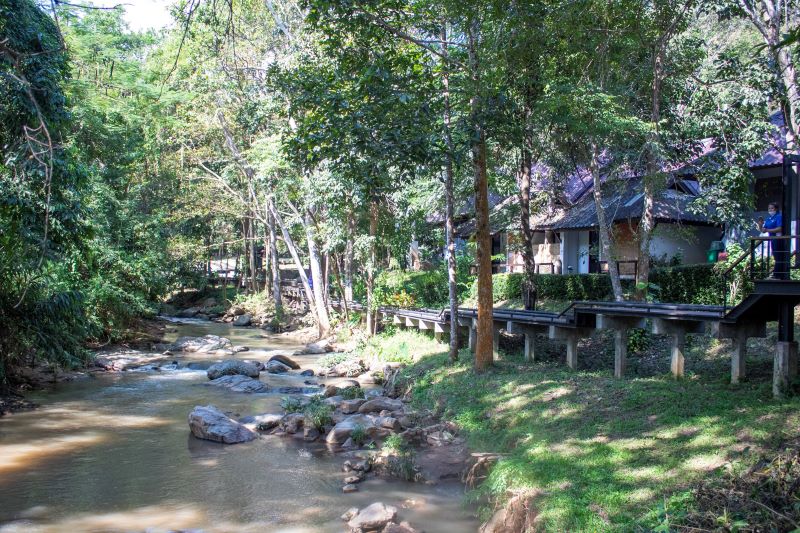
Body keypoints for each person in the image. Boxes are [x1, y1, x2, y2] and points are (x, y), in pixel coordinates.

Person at [757, 202, 785, 276]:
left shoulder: (779, 216)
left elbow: (779, 228)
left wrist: (767, 230)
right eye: (769, 208)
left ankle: (778, 274)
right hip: (772, 239)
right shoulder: (769, 218)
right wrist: (760, 225)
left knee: (778, 256)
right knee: (775, 256)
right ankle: (776, 274)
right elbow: (763, 230)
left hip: (778, 238)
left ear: (776, 209)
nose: (770, 210)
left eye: (772, 208)